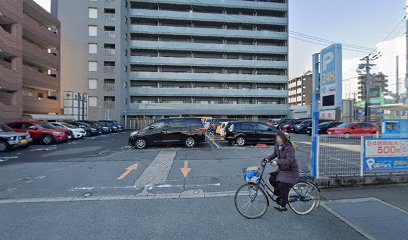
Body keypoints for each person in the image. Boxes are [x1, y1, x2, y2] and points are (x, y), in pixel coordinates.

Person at [264, 131, 299, 212]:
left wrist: (277, 161)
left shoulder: (289, 147)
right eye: (277, 138)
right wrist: (267, 159)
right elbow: (274, 154)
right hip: (282, 169)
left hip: (290, 170)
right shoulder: (277, 146)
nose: (278, 140)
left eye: (280, 138)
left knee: (282, 184)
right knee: (272, 179)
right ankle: (281, 194)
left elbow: (289, 160)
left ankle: (283, 205)